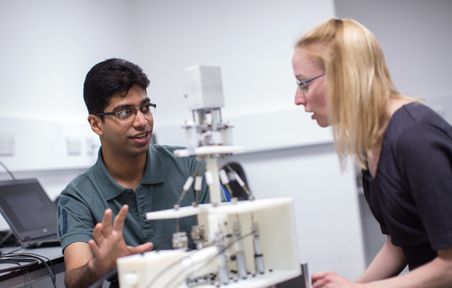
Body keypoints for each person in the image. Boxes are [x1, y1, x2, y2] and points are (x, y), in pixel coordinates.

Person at [292, 18, 452, 287]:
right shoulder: (373, 140)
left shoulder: (415, 137)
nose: (298, 98)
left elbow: (449, 267)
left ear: (342, 75)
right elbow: (400, 243)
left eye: (303, 83)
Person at [57, 58, 209, 288]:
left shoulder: (190, 166)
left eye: (145, 108)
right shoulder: (77, 197)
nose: (142, 121)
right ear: (96, 124)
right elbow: (73, 280)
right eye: (124, 112)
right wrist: (98, 267)